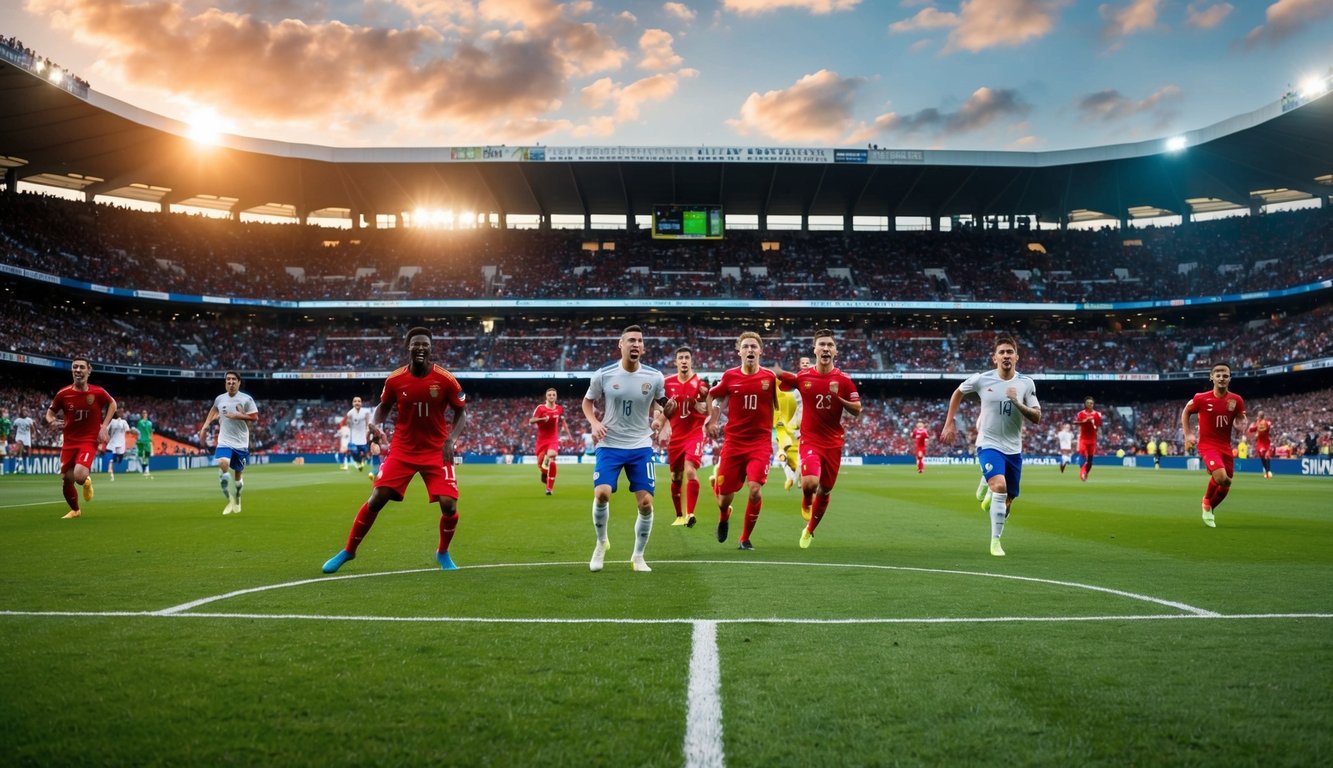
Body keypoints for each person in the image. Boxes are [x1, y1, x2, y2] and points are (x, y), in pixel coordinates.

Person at [323, 327, 468, 573]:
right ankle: (349, 551)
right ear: (408, 347)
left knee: (449, 505)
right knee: (377, 498)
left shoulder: (446, 379)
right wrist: (376, 424)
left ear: (431, 348)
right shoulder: (395, 379)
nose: (420, 348)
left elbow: (461, 411)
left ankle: (442, 553)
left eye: (425, 344)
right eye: (416, 344)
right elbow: (383, 405)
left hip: (436, 449)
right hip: (403, 448)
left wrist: (451, 440)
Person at [941, 335, 1041, 557]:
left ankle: (986, 488)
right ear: (994, 358)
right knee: (999, 486)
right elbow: (958, 392)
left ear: (1017, 356)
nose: (1006, 356)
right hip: (988, 443)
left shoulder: (1026, 383)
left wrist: (1017, 402)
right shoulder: (981, 379)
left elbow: (1037, 417)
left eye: (1010, 352)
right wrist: (949, 423)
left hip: (1014, 449)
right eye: (1002, 352)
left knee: (1007, 502)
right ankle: (995, 542)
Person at [582, 325, 667, 572]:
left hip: (641, 445)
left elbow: (662, 405)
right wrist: (595, 422)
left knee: (646, 504)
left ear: (643, 347)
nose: (636, 344)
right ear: (621, 345)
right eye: (631, 340)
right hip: (610, 444)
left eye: (639, 341)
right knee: (602, 494)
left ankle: (638, 556)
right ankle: (601, 544)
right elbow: (587, 402)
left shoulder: (654, 377)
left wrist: (661, 420)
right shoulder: (604, 375)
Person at [780, 330, 861, 548]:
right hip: (810, 440)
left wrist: (839, 397)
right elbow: (784, 382)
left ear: (835, 351)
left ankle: (809, 530)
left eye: (829, 345)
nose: (825, 348)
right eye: (821, 345)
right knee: (810, 483)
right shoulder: (803, 376)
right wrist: (776, 373)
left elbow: (857, 409)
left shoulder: (844, 380)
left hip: (833, 443)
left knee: (825, 490)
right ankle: (806, 500)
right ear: (814, 349)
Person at [706, 331, 778, 550]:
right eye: (745, 346)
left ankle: (744, 538)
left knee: (755, 489)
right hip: (734, 443)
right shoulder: (730, 377)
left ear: (760, 351)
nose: (750, 350)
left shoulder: (769, 377)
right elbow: (714, 396)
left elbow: (777, 404)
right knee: (724, 499)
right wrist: (712, 419)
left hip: (760, 444)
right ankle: (724, 515)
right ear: (739, 351)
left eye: (754, 347)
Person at [44, 357, 116, 519]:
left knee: (80, 475)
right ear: (72, 370)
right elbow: (50, 414)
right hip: (69, 441)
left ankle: (86, 481)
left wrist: (104, 426)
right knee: (66, 479)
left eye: (82, 367)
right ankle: (75, 510)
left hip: (89, 440)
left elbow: (113, 404)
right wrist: (52, 421)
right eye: (75, 367)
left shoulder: (97, 392)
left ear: (89, 370)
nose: (78, 370)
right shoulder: (63, 394)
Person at [1182, 362, 1246, 528]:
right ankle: (1206, 501)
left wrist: (1241, 423)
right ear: (1212, 378)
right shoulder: (1201, 398)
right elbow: (1186, 411)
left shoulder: (1236, 400)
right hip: (1208, 445)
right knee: (1220, 477)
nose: (1221, 378)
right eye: (1218, 374)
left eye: (1225, 375)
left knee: (1226, 483)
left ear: (1229, 378)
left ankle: (1209, 508)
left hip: (1225, 446)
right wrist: (1188, 434)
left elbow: (1240, 417)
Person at [198, 371, 260, 516]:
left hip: (241, 443)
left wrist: (239, 415)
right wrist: (205, 425)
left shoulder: (247, 399)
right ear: (225, 383)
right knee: (223, 463)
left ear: (239, 382)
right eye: (228, 380)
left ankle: (238, 497)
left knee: (238, 476)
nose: (231, 382)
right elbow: (213, 409)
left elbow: (254, 417)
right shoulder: (220, 399)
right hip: (224, 440)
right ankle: (229, 498)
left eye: (234, 380)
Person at [661, 346, 709, 526]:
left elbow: (709, 404)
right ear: (675, 362)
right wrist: (663, 422)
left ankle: (690, 513)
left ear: (691, 361)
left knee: (690, 471)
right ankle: (679, 515)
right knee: (676, 477)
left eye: (686, 358)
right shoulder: (666, 383)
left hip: (694, 434)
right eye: (680, 358)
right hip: (676, 437)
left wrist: (703, 406)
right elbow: (660, 405)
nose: (683, 361)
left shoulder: (701, 384)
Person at [529, 387, 573, 495]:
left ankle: (549, 489)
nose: (552, 396)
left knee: (552, 456)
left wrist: (569, 435)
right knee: (541, 465)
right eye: (549, 395)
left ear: (556, 396)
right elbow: (531, 420)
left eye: (554, 395)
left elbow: (563, 422)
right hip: (541, 441)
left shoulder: (559, 409)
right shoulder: (540, 408)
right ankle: (545, 472)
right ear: (546, 397)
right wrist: (541, 419)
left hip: (553, 438)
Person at [773, 355, 807, 491]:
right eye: (803, 363)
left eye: (807, 363)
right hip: (793, 426)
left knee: (793, 456)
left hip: (796, 426)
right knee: (791, 455)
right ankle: (793, 479)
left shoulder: (804, 385)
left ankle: (794, 479)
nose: (805, 365)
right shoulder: (796, 387)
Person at [1074, 396, 1103, 481]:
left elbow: (1097, 427)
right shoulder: (1080, 414)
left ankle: (1086, 472)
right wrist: (1085, 421)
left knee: (1090, 461)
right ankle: (1082, 473)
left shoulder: (1097, 414)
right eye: (1089, 403)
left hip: (1092, 440)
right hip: (1083, 439)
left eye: (1092, 403)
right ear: (1085, 404)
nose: (1091, 404)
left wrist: (1092, 423)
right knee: (1082, 455)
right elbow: (1078, 424)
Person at [345, 396, 374, 473]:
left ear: (361, 403)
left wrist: (369, 434)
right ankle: (360, 462)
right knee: (355, 454)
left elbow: (369, 424)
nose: (357, 403)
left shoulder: (366, 412)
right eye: (355, 401)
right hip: (354, 439)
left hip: (363, 438)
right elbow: (348, 426)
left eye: (359, 401)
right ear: (352, 403)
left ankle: (363, 460)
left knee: (365, 453)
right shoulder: (350, 413)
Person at [103, 410, 130, 481]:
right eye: (119, 413)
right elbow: (106, 429)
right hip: (112, 443)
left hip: (121, 444)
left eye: (121, 412)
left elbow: (128, 431)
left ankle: (114, 463)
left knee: (119, 460)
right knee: (111, 459)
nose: (120, 414)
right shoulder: (112, 421)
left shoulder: (124, 422)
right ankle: (111, 474)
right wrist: (107, 438)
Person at [1247, 408, 1273, 478]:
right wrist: (1251, 429)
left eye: (1259, 415)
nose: (1258, 416)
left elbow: (1268, 426)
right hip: (1260, 442)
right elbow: (1255, 428)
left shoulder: (1265, 422)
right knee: (1262, 456)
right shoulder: (1258, 422)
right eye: (1258, 415)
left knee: (1267, 456)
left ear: (1262, 416)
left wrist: (1254, 429)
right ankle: (1266, 470)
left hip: (1266, 442)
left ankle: (1268, 472)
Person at [12, 407, 35, 474]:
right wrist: (17, 432)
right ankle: (20, 467)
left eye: (26, 411)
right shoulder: (17, 420)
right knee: (20, 446)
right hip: (19, 436)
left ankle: (19, 467)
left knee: (23, 454)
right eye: (24, 411)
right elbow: (14, 426)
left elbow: (33, 429)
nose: (25, 412)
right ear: (21, 412)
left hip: (27, 438)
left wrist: (33, 433)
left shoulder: (29, 420)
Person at [134, 409, 154, 478]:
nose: (144, 414)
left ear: (147, 414)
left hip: (147, 441)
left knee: (147, 456)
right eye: (143, 413)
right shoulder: (140, 422)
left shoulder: (150, 423)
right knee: (142, 456)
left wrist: (151, 439)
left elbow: (151, 432)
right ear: (142, 415)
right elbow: (138, 431)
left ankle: (146, 470)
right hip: (141, 441)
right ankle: (144, 470)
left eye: (145, 413)